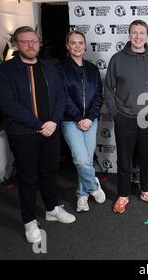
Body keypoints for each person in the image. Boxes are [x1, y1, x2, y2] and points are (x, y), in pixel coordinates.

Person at [0, 26, 76, 244]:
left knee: (49, 173)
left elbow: (61, 96)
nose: (31, 45)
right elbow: (9, 105)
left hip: (50, 130)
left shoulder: (50, 66)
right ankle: (29, 220)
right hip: (24, 134)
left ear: (39, 43)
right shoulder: (6, 70)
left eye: (34, 41)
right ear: (15, 44)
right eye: (25, 41)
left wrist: (53, 122)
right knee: (28, 178)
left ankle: (51, 208)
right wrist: (40, 124)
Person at [104, 20, 148, 214]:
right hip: (125, 117)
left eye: (141, 33)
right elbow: (108, 89)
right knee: (124, 159)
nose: (138, 36)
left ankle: (146, 191)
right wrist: (116, 114)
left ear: (147, 36)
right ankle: (123, 194)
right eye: (134, 32)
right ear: (129, 35)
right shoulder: (117, 59)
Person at [57, 31, 105, 213]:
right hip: (70, 121)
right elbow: (63, 96)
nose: (77, 46)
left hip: (90, 121)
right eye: (73, 43)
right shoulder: (60, 68)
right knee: (81, 160)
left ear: (85, 46)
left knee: (85, 159)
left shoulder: (92, 69)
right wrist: (78, 118)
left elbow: (98, 97)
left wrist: (90, 118)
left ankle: (82, 194)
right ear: (67, 46)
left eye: (80, 43)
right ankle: (93, 186)